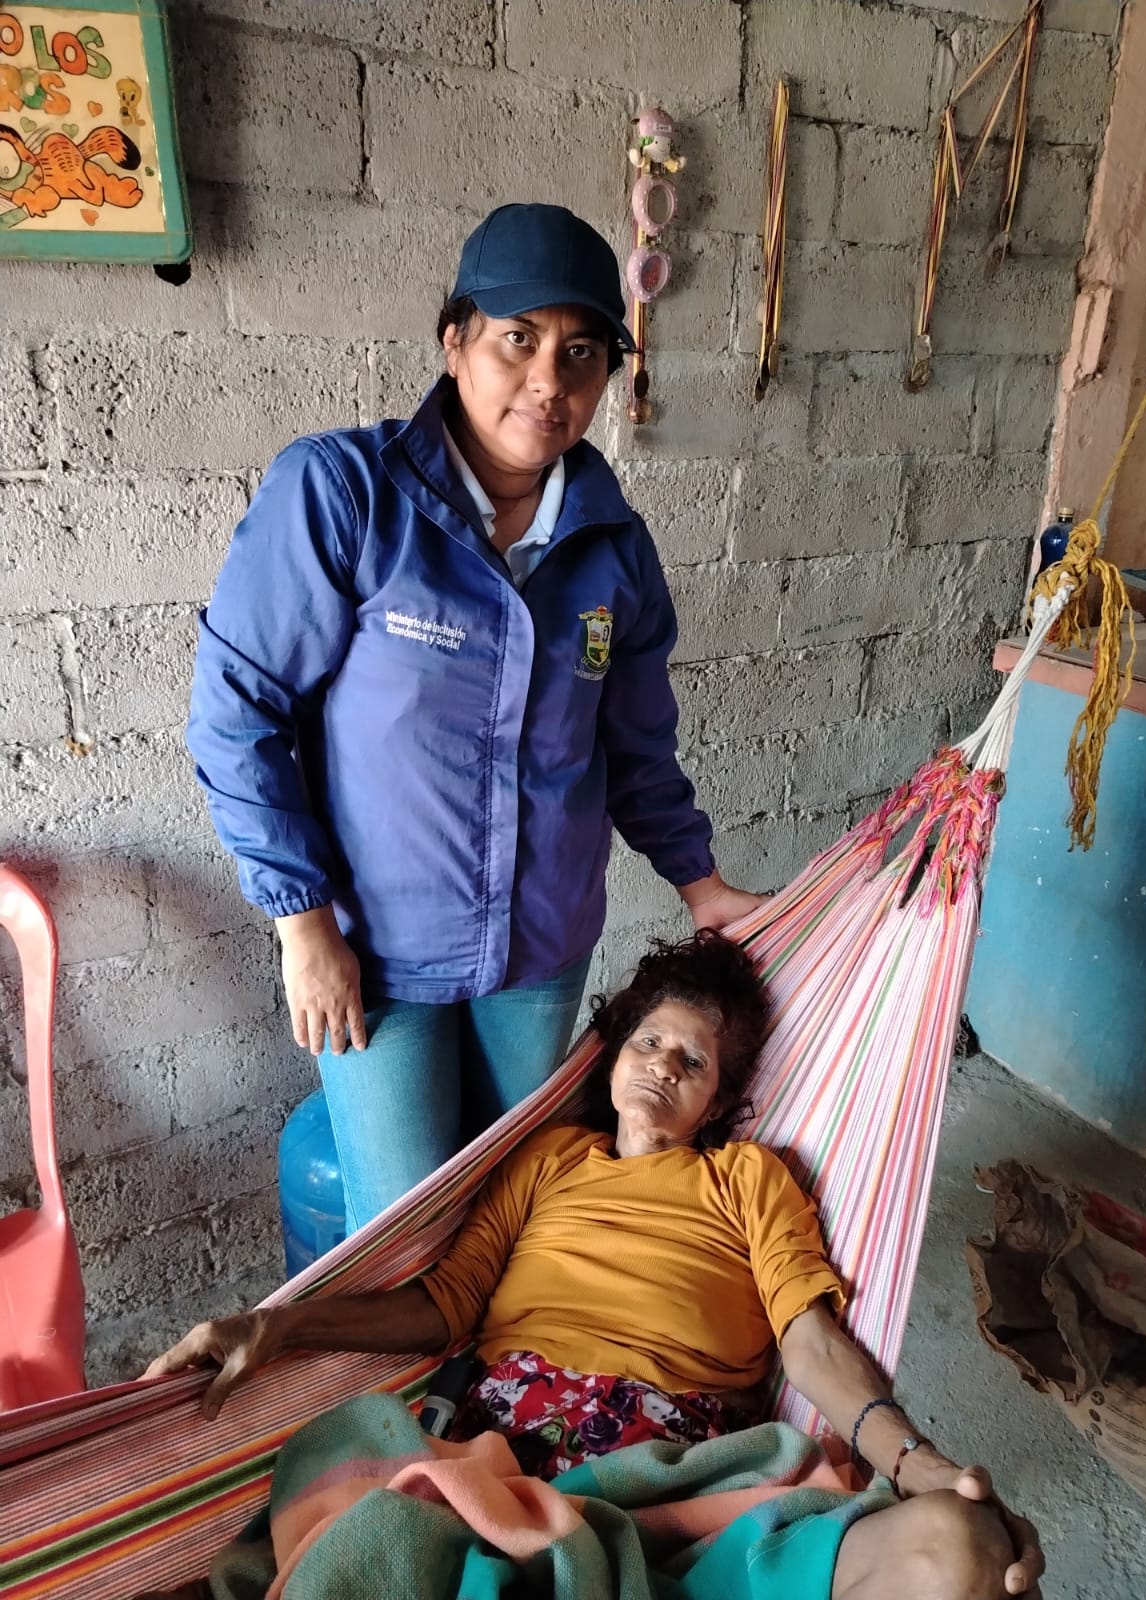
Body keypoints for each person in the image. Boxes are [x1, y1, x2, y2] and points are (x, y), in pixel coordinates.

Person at [147, 932, 1044, 1600]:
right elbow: (445, 1305)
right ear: (613, 1056)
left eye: (693, 1061)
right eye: (648, 1042)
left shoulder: (749, 1180)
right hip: (505, 1446)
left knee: (967, 1551)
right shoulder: (547, 1161)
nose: (663, 1067)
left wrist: (916, 1460)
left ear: (717, 1102)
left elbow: (808, 1344)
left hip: (677, 1467)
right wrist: (278, 1325)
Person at [186, 202, 764, 1228]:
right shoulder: (345, 495)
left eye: (581, 352)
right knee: (405, 1231)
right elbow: (238, 715)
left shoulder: (614, 548)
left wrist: (700, 881)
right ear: (454, 341)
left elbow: (635, 745)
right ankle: (406, 1344)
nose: (549, 381)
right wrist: (302, 924)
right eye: (517, 340)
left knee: (512, 1206)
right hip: (376, 954)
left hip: (540, 950)